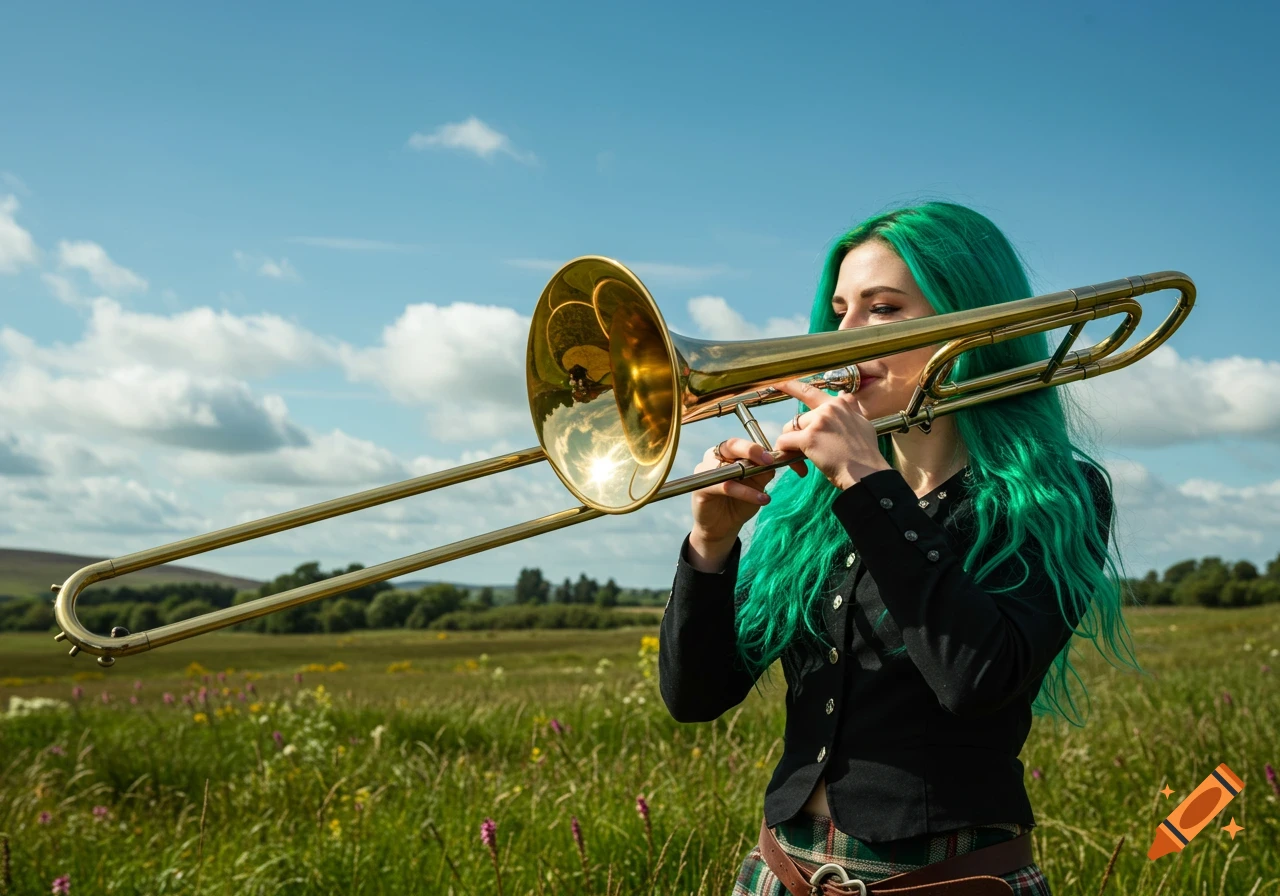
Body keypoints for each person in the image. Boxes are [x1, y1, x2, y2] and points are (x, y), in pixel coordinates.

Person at [657, 201, 1141, 896]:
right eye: (841, 310)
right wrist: (710, 543)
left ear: (973, 321)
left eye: (882, 309)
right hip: (779, 874)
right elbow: (694, 696)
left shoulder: (1060, 497)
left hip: (948, 880)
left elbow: (975, 680)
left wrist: (864, 478)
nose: (842, 338)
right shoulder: (809, 504)